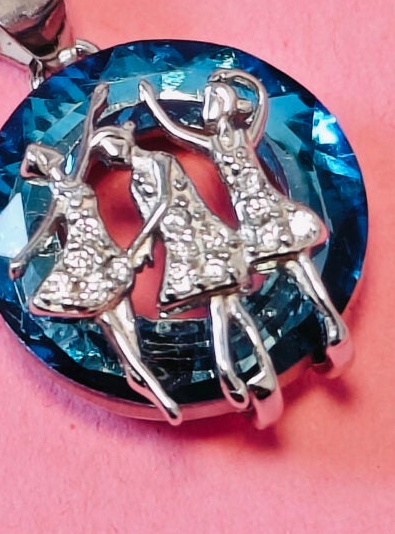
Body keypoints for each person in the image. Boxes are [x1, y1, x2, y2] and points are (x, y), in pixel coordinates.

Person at [140, 68, 352, 369]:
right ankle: (288, 345)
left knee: (301, 268)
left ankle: (331, 322)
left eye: (211, 99)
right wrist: (152, 104)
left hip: (269, 211)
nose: (206, 106)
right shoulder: (216, 143)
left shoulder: (242, 135)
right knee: (292, 272)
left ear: (223, 105)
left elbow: (262, 99)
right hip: (252, 223)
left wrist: (240, 79)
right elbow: (175, 132)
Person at [9, 92, 178, 424]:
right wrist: (22, 259)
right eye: (49, 158)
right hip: (84, 265)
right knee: (115, 329)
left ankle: (139, 374)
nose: (56, 158)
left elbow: (86, 145)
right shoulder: (58, 197)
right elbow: (44, 232)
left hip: (108, 256)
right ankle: (152, 387)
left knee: (127, 328)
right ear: (44, 167)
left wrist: (93, 109)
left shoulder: (75, 182)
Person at [105, 122, 282, 428]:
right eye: (108, 155)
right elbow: (152, 217)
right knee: (229, 309)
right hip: (179, 247)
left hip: (201, 237)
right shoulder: (134, 181)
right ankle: (243, 370)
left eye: (114, 148)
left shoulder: (161, 160)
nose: (114, 157)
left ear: (126, 141)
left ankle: (234, 370)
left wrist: (139, 239)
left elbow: (162, 203)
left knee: (227, 307)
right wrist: (145, 246)